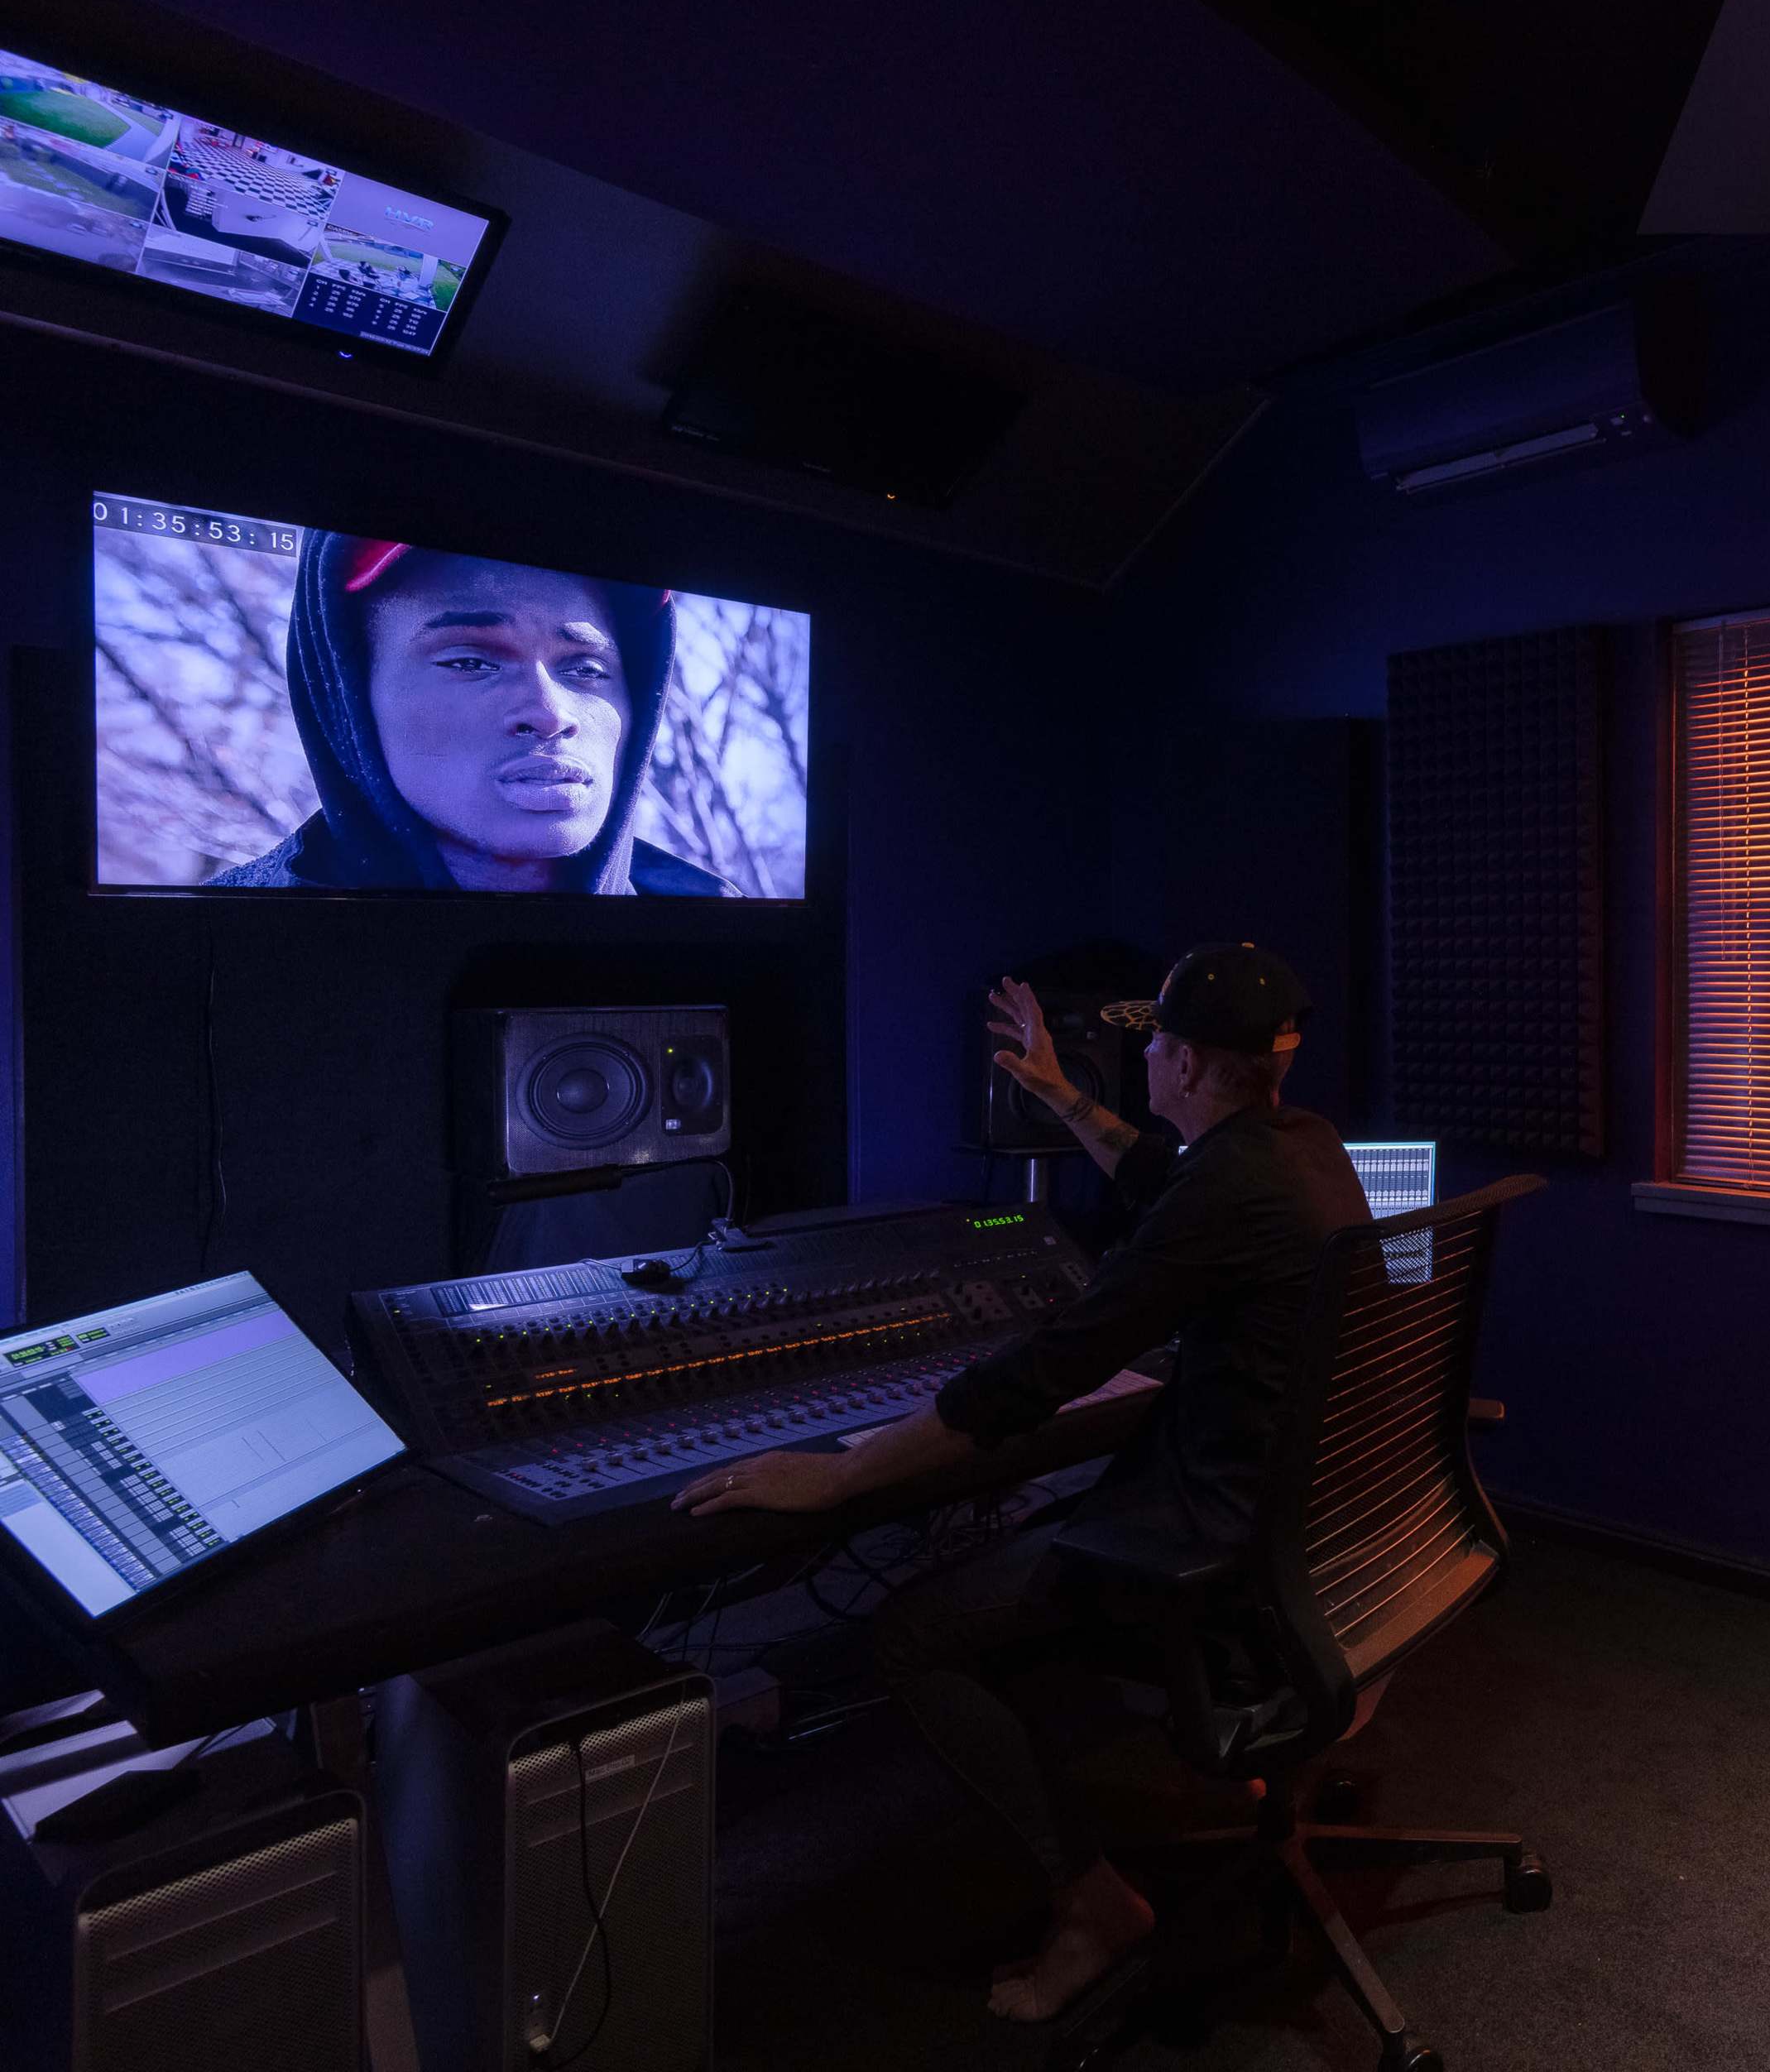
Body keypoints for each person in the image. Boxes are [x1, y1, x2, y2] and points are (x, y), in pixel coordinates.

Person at [680, 942, 1369, 2023]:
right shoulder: (1298, 1147)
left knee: (912, 1637)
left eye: (1151, 1049)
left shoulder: (1229, 1190)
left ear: (1182, 1064)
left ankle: (1094, 1906)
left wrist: (848, 1474)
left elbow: (1045, 1371)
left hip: (1217, 1549)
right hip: (1310, 1530)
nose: (1141, 1063)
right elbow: (1161, 1176)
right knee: (1029, 1535)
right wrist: (1054, 1089)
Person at [209, 530, 733, 894]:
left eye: (585, 668)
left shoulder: (725, 942)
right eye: (470, 661)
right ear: (348, 697)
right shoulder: (215, 949)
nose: (550, 714)